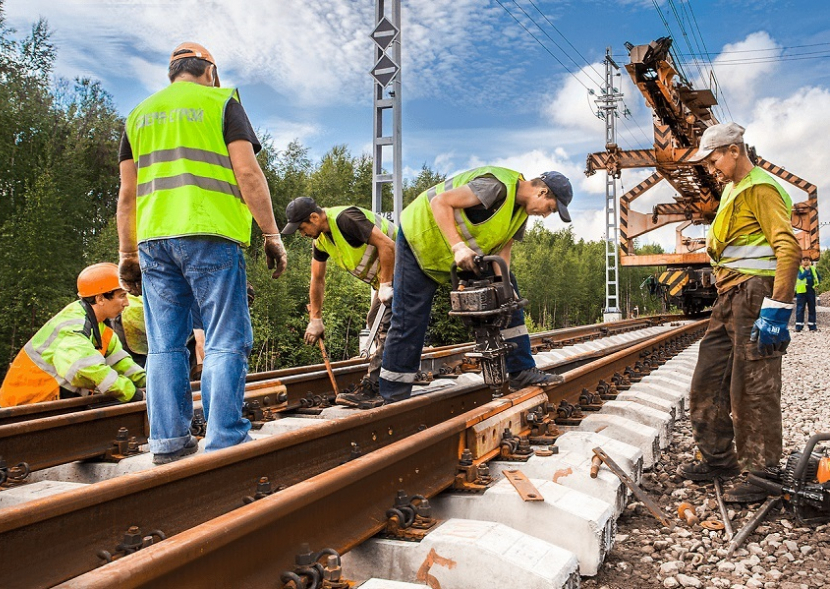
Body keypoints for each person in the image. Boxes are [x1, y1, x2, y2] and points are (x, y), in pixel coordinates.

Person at [116, 42, 287, 464]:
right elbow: (247, 171)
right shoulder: (222, 102)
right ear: (210, 70)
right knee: (226, 338)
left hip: (154, 241)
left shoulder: (139, 116)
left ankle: (169, 444)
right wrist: (271, 235)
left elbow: (127, 195)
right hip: (210, 233)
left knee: (164, 346)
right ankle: (226, 438)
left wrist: (127, 253)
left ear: (172, 73)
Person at [677, 122, 801, 503]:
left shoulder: (760, 188)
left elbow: (788, 249)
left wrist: (776, 311)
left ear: (734, 150)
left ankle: (763, 472)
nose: (711, 165)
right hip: (730, 295)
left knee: (753, 385)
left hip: (754, 294)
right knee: (709, 378)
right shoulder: (733, 189)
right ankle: (719, 458)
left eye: (714, 157)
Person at [379, 166, 573, 404]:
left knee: (508, 297)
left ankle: (521, 371)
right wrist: (457, 246)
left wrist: (504, 287)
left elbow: (504, 248)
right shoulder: (496, 186)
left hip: (455, 254)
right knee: (409, 318)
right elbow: (440, 202)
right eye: (550, 209)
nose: (546, 215)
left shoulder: (521, 212)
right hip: (419, 242)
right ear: (543, 192)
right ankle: (393, 394)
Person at [281, 197, 397, 409]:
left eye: (302, 228)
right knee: (374, 320)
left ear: (314, 218)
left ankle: (375, 388)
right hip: (388, 277)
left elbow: (388, 245)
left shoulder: (345, 219)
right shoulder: (321, 241)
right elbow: (317, 279)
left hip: (406, 267)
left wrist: (386, 285)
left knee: (387, 328)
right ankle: (399, 369)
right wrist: (315, 318)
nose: (302, 234)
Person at [0, 263, 146, 407]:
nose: (127, 303)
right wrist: (134, 394)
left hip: (44, 409)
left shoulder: (101, 328)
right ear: (100, 298)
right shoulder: (73, 328)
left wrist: (148, 382)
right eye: (121, 296)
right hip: (19, 408)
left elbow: (122, 363)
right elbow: (89, 369)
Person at [795, 256, 820, 332]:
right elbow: (801, 277)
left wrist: (816, 285)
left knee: (812, 309)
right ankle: (799, 326)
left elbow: (818, 277)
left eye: (807, 260)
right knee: (800, 309)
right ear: (801, 261)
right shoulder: (799, 269)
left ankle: (812, 326)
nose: (806, 261)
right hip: (801, 292)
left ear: (810, 261)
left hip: (810, 291)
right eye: (804, 260)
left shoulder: (813, 269)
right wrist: (806, 271)